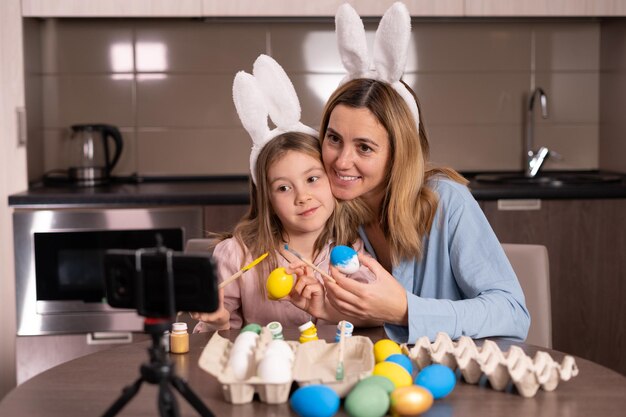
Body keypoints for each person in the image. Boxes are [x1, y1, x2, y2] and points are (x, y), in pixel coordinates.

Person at [314, 2, 530, 343]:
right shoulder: (328, 206)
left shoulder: (447, 202)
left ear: (400, 153)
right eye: (334, 139)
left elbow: (512, 312)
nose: (341, 161)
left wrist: (404, 309)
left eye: (365, 148)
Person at [192, 55, 374, 332]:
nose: (302, 196)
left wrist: (327, 306)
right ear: (268, 200)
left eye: (312, 179)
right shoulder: (237, 257)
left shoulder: (351, 250)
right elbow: (216, 340)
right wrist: (218, 322)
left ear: (332, 178)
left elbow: (370, 317)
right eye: (283, 188)